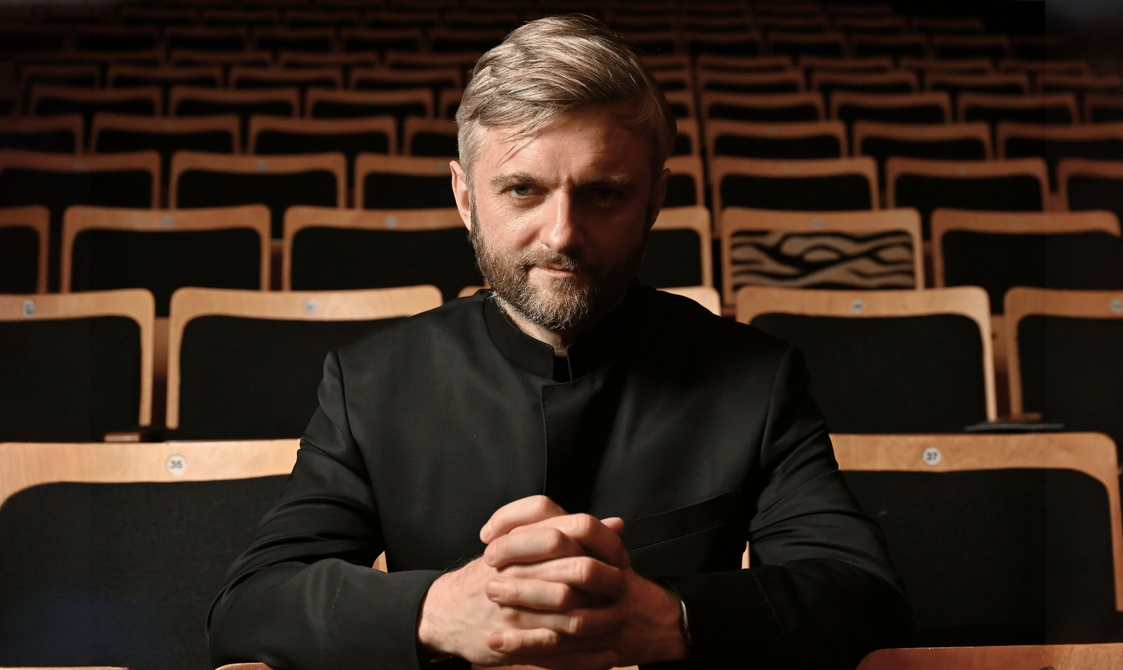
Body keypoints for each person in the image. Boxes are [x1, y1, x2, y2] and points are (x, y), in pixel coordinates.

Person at [208, 15, 912, 670]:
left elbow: (863, 597)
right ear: (463, 197)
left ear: (654, 198)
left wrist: (673, 617)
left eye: (602, 193)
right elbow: (249, 606)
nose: (562, 235)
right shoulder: (367, 382)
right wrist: (435, 610)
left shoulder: (756, 377)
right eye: (521, 190)